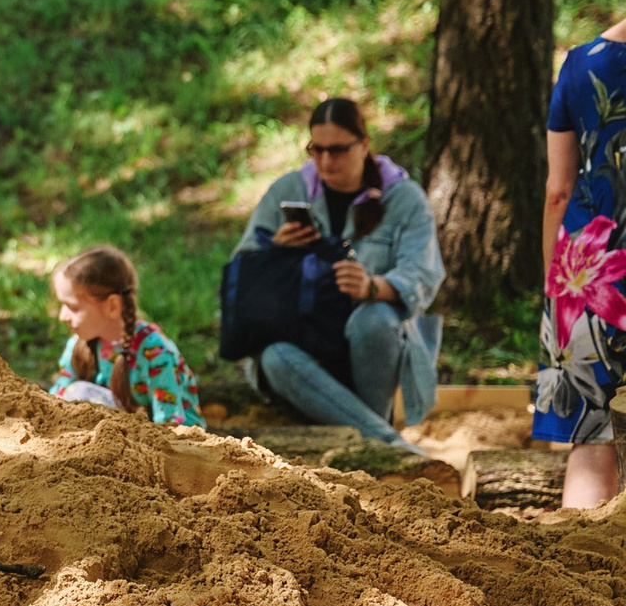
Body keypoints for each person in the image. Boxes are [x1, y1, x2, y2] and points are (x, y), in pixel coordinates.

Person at [234, 97, 442, 449]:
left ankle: (373, 439)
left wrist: (373, 287)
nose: (325, 161)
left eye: (337, 150)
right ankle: (387, 445)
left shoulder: (404, 199)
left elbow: (423, 276)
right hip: (306, 348)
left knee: (373, 319)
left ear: (364, 145)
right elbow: (242, 269)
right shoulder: (288, 190)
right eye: (316, 150)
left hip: (375, 349)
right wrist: (276, 251)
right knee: (274, 357)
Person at [533, 0, 626, 506]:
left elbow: (558, 189)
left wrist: (552, 281)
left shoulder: (581, 64)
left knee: (591, 430)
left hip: (588, 271)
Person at [48, 246, 204, 425]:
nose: (62, 316)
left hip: (167, 440)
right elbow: (57, 398)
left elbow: (170, 421)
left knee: (79, 393)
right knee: (74, 394)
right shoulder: (80, 343)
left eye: (73, 307)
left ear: (112, 306)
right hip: (119, 430)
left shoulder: (154, 351)